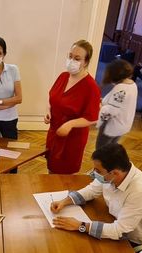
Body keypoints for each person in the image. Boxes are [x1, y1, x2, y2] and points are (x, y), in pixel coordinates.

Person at [50, 143, 142, 245]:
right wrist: (65, 201)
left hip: (130, 241)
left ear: (115, 173)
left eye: (98, 171)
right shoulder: (113, 174)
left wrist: (80, 226)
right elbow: (92, 190)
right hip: (112, 220)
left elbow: (119, 230)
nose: (93, 173)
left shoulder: (140, 192)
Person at [44, 39, 100, 174]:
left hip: (72, 139)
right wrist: (48, 111)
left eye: (77, 58)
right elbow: (52, 98)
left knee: (65, 176)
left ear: (85, 62)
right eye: (70, 56)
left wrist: (70, 124)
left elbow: (93, 118)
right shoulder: (63, 77)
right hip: (55, 133)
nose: (71, 60)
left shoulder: (90, 87)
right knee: (51, 169)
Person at [96, 59, 137, 149]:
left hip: (112, 126)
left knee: (101, 150)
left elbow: (111, 111)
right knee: (111, 149)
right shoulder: (133, 84)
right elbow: (121, 103)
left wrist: (100, 107)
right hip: (122, 125)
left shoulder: (121, 88)